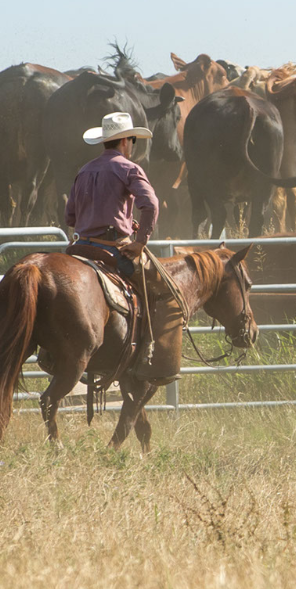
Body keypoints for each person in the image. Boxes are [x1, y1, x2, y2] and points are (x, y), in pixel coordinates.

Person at [64, 110, 187, 386]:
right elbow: (151, 204)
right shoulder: (129, 169)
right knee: (167, 292)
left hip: (81, 248)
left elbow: (69, 217)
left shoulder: (84, 170)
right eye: (133, 141)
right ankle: (153, 360)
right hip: (113, 248)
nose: (132, 146)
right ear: (126, 141)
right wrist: (140, 240)